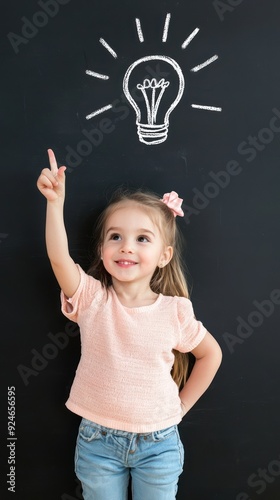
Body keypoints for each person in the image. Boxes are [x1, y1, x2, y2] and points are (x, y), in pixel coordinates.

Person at [37, 149, 222, 500]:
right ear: (103, 249)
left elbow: (210, 355)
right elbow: (58, 257)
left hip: (159, 445)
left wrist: (181, 408)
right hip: (97, 443)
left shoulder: (175, 311)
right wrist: (54, 203)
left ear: (164, 256)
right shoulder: (93, 298)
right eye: (115, 237)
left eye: (142, 238)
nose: (126, 248)